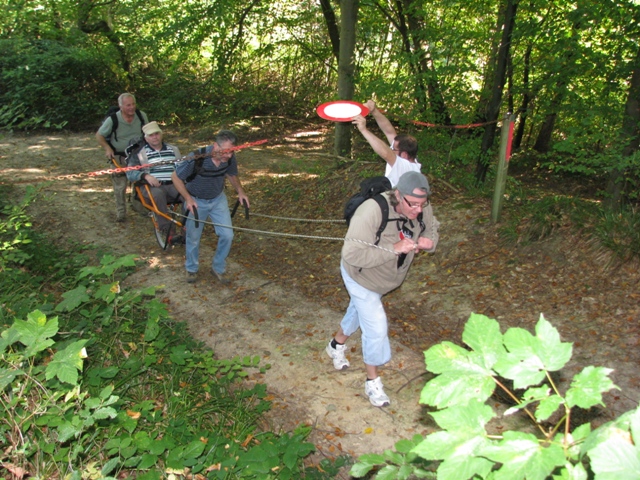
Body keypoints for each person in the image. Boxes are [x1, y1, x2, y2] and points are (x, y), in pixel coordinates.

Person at [326, 171, 439, 407]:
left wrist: (430, 241)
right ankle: (372, 381)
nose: (418, 210)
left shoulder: (420, 207)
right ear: (399, 194)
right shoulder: (372, 210)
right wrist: (393, 247)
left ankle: (336, 345)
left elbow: (431, 226)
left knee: (358, 312)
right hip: (359, 276)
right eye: (413, 204)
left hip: (384, 280)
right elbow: (352, 254)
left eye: (422, 204)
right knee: (376, 326)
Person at [171, 130, 249, 285]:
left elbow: (232, 174)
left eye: (232, 152)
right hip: (196, 201)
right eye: (225, 152)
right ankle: (191, 268)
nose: (228, 156)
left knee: (227, 235)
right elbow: (175, 177)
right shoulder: (197, 157)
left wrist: (240, 191)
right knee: (193, 238)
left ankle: (218, 267)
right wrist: (188, 198)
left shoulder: (229, 158)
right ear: (215, 146)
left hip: (218, 199)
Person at [96, 93, 149, 222]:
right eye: (128, 105)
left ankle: (139, 207)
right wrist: (107, 148)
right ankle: (121, 212)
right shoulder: (113, 119)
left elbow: (149, 132)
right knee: (120, 186)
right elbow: (99, 135)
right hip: (119, 156)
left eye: (133, 104)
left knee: (140, 182)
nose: (131, 107)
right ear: (121, 106)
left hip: (138, 155)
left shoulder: (142, 116)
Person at [126, 121, 182, 235]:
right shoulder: (139, 153)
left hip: (173, 184)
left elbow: (182, 168)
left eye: (156, 134)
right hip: (152, 187)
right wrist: (145, 176)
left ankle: (187, 229)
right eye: (151, 135)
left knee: (188, 195)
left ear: (161, 135)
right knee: (158, 195)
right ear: (146, 139)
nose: (154, 137)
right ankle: (167, 230)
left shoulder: (173, 150)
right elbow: (130, 173)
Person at [351, 100, 421, 187]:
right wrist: (374, 111)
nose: (391, 149)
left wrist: (364, 130)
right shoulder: (406, 156)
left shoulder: (407, 168)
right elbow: (389, 132)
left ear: (404, 154)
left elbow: (386, 153)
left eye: (393, 149)